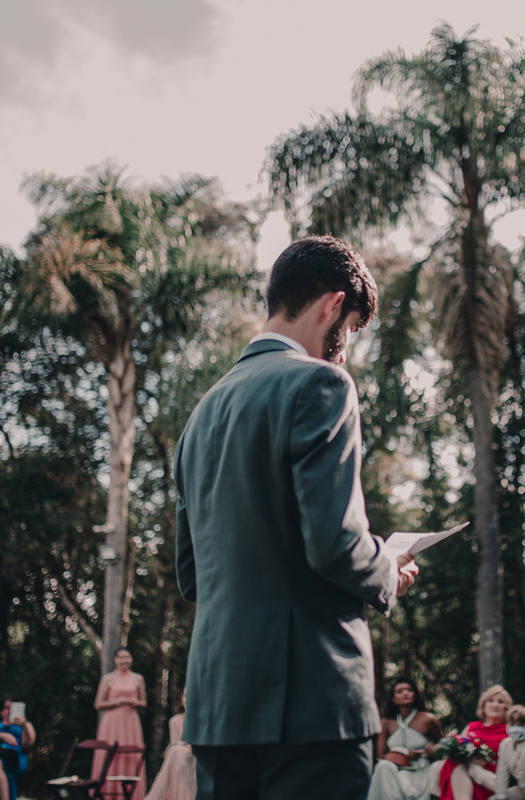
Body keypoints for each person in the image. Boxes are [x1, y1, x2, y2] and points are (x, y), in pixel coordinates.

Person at [174, 235, 419, 800]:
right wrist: (388, 567)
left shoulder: (200, 416)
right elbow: (335, 545)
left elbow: (191, 575)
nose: (347, 347)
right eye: (354, 328)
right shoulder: (320, 383)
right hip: (311, 698)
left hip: (218, 706)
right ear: (333, 305)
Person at [368, 677, 442, 800]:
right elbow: (380, 755)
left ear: (415, 694)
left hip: (421, 769)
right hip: (394, 769)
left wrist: (433, 748)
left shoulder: (429, 719)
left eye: (409, 690)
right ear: (394, 699)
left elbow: (445, 747)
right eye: (400, 691)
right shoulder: (386, 723)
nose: (405, 693)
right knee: (382, 766)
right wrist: (404, 756)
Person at [435, 685, 512, 800]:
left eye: (500, 702)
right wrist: (452, 742)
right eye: (491, 701)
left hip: (488, 782)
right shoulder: (472, 726)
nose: (495, 705)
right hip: (465, 776)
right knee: (453, 762)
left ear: (506, 708)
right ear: (484, 706)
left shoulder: (511, 730)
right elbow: (457, 750)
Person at [94, 648, 147, 800]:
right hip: (112, 722)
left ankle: (131, 795)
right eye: (120, 657)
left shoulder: (138, 678)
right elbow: (98, 704)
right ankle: (106, 794)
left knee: (130, 755)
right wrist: (115, 701)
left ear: (131, 659)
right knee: (110, 755)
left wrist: (138, 703)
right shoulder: (108, 679)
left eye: (127, 657)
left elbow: (144, 703)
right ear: (115, 660)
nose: (124, 660)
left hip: (131, 721)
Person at [143, 690, 196, 800]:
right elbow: (175, 743)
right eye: (185, 696)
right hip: (180, 758)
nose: (188, 700)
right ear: (181, 699)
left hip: (195, 756)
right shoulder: (174, 720)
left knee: (176, 752)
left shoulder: (201, 719)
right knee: (176, 752)